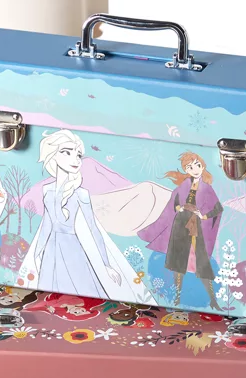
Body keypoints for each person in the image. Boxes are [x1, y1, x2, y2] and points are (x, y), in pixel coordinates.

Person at [16, 129, 151, 302]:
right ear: (52, 155)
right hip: (51, 251)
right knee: (49, 297)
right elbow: (47, 226)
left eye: (78, 155)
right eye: (66, 152)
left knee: (84, 294)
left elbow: (94, 229)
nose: (75, 159)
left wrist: (106, 264)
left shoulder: (81, 194)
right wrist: (37, 254)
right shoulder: (47, 191)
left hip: (74, 250)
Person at [138, 152, 223, 308]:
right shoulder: (183, 186)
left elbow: (217, 209)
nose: (194, 169)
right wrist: (180, 208)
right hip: (180, 225)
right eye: (189, 167)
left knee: (201, 264)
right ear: (186, 170)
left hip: (197, 228)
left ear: (203, 166)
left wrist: (203, 216)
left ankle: (212, 300)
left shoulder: (207, 188)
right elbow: (174, 203)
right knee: (178, 264)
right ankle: (177, 298)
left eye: (197, 165)